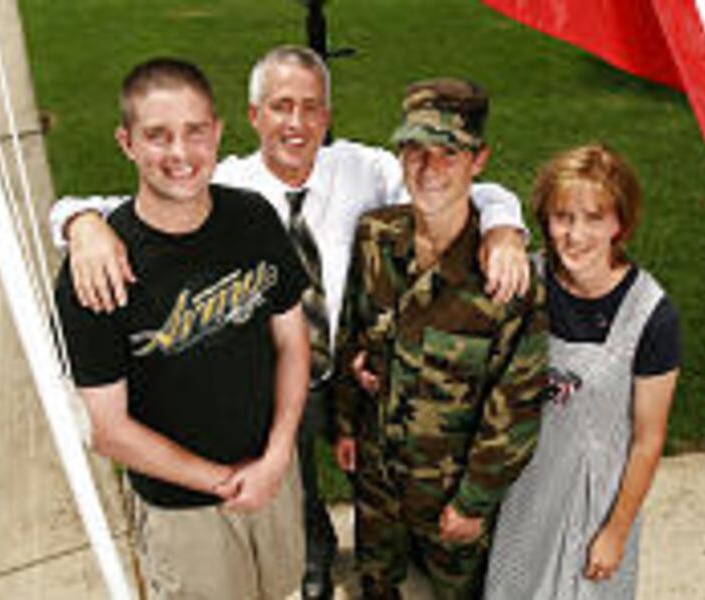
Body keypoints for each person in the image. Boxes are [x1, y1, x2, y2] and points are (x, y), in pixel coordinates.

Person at [49, 45, 531, 599]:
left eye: (311, 108)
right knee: (291, 489)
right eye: (281, 106)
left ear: (327, 116)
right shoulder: (226, 184)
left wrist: (503, 227)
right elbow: (126, 208)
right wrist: (80, 222)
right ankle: (314, 562)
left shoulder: (365, 168)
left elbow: (458, 184)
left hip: (353, 367)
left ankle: (411, 547)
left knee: (382, 473)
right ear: (254, 117)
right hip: (274, 372)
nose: (296, 123)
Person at [54, 58, 311, 599]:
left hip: (273, 475)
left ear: (217, 132)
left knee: (285, 589)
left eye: (195, 132)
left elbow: (291, 339)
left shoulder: (253, 218)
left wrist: (279, 455)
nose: (179, 154)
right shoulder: (97, 270)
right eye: (157, 136)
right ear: (126, 142)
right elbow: (107, 428)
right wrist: (224, 484)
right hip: (184, 512)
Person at [332, 78, 549, 600]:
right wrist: (345, 424)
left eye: (448, 153)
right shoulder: (376, 236)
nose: (428, 169)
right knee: (376, 584)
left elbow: (516, 404)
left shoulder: (506, 279)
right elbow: (351, 331)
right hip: (378, 480)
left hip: (450, 494)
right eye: (414, 150)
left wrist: (475, 501)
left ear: (478, 160)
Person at [484, 144, 681, 599]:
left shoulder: (651, 315)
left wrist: (616, 531)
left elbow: (648, 440)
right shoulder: (526, 283)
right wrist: (502, 233)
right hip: (525, 489)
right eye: (562, 217)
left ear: (620, 223)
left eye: (594, 218)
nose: (575, 235)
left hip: (595, 498)